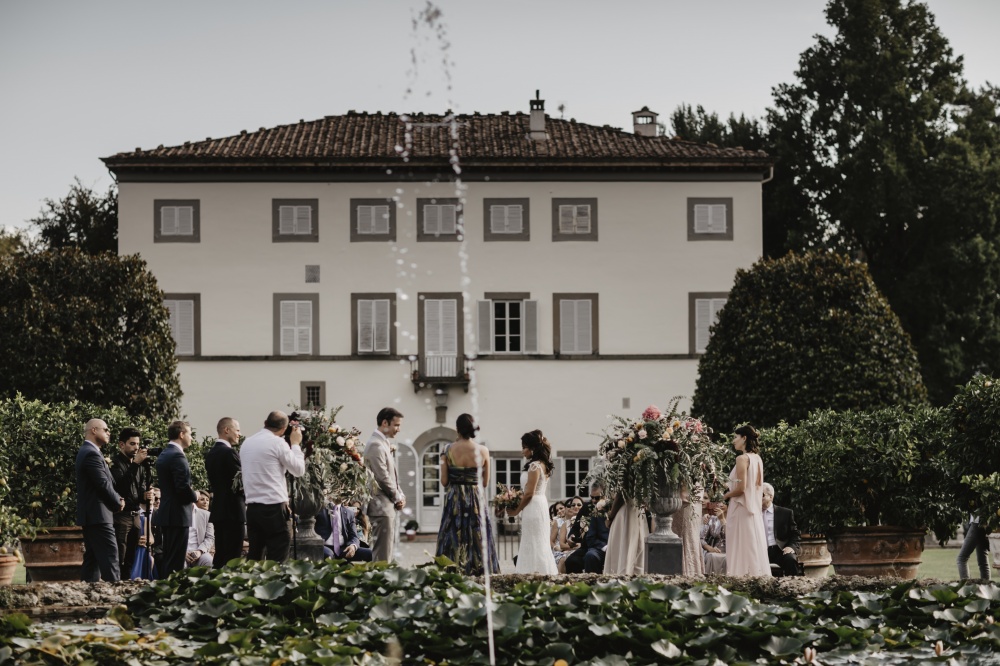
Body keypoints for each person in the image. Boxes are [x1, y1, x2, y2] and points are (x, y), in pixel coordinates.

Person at [434, 413, 500, 575]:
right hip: (475, 497)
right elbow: (484, 483)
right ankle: (480, 570)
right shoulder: (483, 451)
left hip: (455, 497)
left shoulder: (446, 450)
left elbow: (443, 481)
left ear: (457, 429)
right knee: (477, 532)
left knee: (452, 532)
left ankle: (451, 570)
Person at [241, 411, 305, 562]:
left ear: (265, 422)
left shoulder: (247, 442)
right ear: (283, 429)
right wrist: (295, 444)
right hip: (274, 507)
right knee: (278, 555)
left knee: (255, 556)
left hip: (252, 508)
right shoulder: (277, 443)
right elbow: (298, 470)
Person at [76, 418, 125, 582]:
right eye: (105, 429)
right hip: (98, 515)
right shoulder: (90, 453)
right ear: (94, 430)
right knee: (111, 559)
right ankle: (116, 602)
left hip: (93, 515)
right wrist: (118, 500)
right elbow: (102, 484)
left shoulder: (89, 452)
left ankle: (86, 599)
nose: (109, 432)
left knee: (92, 561)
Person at [722, 424, 771, 576]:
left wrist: (724, 496)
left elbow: (741, 488)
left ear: (744, 438)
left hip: (740, 508)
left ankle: (738, 575)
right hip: (753, 509)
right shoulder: (758, 459)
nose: (733, 441)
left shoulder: (742, 458)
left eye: (735, 437)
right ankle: (754, 575)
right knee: (751, 545)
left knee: (739, 545)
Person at [508, 430, 558, 575]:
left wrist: (516, 510)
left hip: (533, 506)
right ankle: (540, 573)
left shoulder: (535, 466)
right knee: (536, 542)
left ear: (533, 448)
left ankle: (533, 574)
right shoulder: (542, 465)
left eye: (524, 447)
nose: (522, 451)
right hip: (540, 504)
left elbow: (529, 493)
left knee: (533, 542)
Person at [154, 420, 199, 576]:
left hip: (168, 513)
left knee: (170, 558)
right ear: (181, 434)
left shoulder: (165, 454)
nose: (192, 438)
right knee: (176, 561)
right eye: (190, 434)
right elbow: (182, 489)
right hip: (178, 514)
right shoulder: (177, 456)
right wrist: (195, 495)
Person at [364, 407, 405, 563]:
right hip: (380, 505)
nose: (398, 429)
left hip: (386, 505)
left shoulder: (383, 443)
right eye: (396, 425)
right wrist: (397, 497)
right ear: (385, 423)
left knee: (386, 552)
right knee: (382, 555)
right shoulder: (376, 445)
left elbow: (391, 474)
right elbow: (382, 477)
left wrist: (400, 494)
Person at [110, 426, 152, 577]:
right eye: (132, 444)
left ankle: (126, 587)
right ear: (122, 444)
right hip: (121, 516)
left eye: (137, 444)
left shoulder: (139, 466)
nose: (136, 448)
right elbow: (121, 488)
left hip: (136, 516)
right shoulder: (114, 463)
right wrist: (135, 465)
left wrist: (145, 496)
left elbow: (138, 493)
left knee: (131, 558)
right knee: (120, 557)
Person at [206, 417, 245, 567]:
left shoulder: (211, 454)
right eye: (237, 430)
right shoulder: (229, 453)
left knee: (221, 554)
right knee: (233, 556)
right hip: (233, 512)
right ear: (226, 430)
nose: (239, 434)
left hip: (219, 511)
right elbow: (240, 484)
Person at [604, 489, 649, 575]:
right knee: (636, 544)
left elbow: (621, 495)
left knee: (623, 544)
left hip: (626, 511)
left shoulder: (627, 477)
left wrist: (610, 517)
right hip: (637, 510)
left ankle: (622, 573)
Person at [762, 483, 801, 577]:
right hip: (759, 551)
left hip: (779, 550)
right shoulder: (752, 514)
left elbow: (795, 534)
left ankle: (792, 587)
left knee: (790, 559)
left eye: (761, 495)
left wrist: (791, 547)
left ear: (771, 497)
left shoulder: (785, 513)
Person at [564, 485, 603, 574]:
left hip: (601, 546)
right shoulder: (586, 506)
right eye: (591, 497)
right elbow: (576, 527)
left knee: (591, 558)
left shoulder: (608, 507)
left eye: (597, 498)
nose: (593, 500)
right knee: (571, 561)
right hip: (586, 546)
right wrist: (571, 537)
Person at [672, 484, 704, 576]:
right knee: (685, 535)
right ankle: (690, 571)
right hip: (688, 495)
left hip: (689, 497)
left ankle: (689, 572)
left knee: (689, 535)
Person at [957, 512, 991, 580]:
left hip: (977, 522)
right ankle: (987, 588)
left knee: (961, 558)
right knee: (983, 561)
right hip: (983, 522)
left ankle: (967, 587)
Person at [185, 490, 215, 568]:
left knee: (208, 560)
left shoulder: (207, 515)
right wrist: (183, 553)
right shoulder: (177, 513)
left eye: (207, 500)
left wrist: (200, 551)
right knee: (179, 563)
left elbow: (210, 537)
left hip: (200, 552)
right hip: (182, 553)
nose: (205, 502)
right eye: (202, 499)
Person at [700, 497, 727, 575]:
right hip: (714, 552)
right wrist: (710, 548)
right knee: (711, 556)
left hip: (731, 552)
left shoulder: (736, 519)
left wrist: (723, 520)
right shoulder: (711, 519)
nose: (720, 505)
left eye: (724, 502)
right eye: (718, 502)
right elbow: (701, 538)